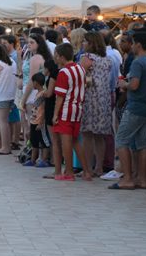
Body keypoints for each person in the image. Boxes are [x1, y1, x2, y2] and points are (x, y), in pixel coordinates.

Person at [110, 31, 146, 191]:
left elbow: (134, 85)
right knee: (143, 143)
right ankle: (144, 179)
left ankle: (128, 178)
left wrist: (124, 84)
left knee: (121, 140)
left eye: (132, 43)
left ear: (138, 44)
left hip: (136, 106)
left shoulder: (138, 63)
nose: (131, 46)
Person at [52, 43, 91, 181]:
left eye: (56, 55)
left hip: (66, 110)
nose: (55, 58)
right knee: (75, 141)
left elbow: (60, 96)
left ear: (62, 57)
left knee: (66, 142)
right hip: (78, 109)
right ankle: (87, 171)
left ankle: (69, 172)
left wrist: (55, 114)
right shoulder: (80, 68)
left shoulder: (63, 72)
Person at [79, 32, 113, 177]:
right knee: (100, 136)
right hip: (104, 98)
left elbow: (80, 76)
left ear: (91, 43)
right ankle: (99, 167)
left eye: (85, 41)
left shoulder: (87, 58)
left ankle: (87, 167)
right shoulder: (107, 59)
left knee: (87, 135)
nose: (83, 43)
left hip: (90, 98)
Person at [0, 42, 17, 156]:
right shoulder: (12, 62)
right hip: (11, 95)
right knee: (7, 121)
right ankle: (7, 144)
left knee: (2, 121)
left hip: (1, 95)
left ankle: (5, 147)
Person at [24, 72, 50, 167]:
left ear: (36, 82)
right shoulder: (38, 94)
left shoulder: (43, 94)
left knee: (43, 141)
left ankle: (44, 159)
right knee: (34, 141)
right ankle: (32, 159)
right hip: (33, 121)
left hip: (39, 122)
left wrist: (41, 121)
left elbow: (43, 110)